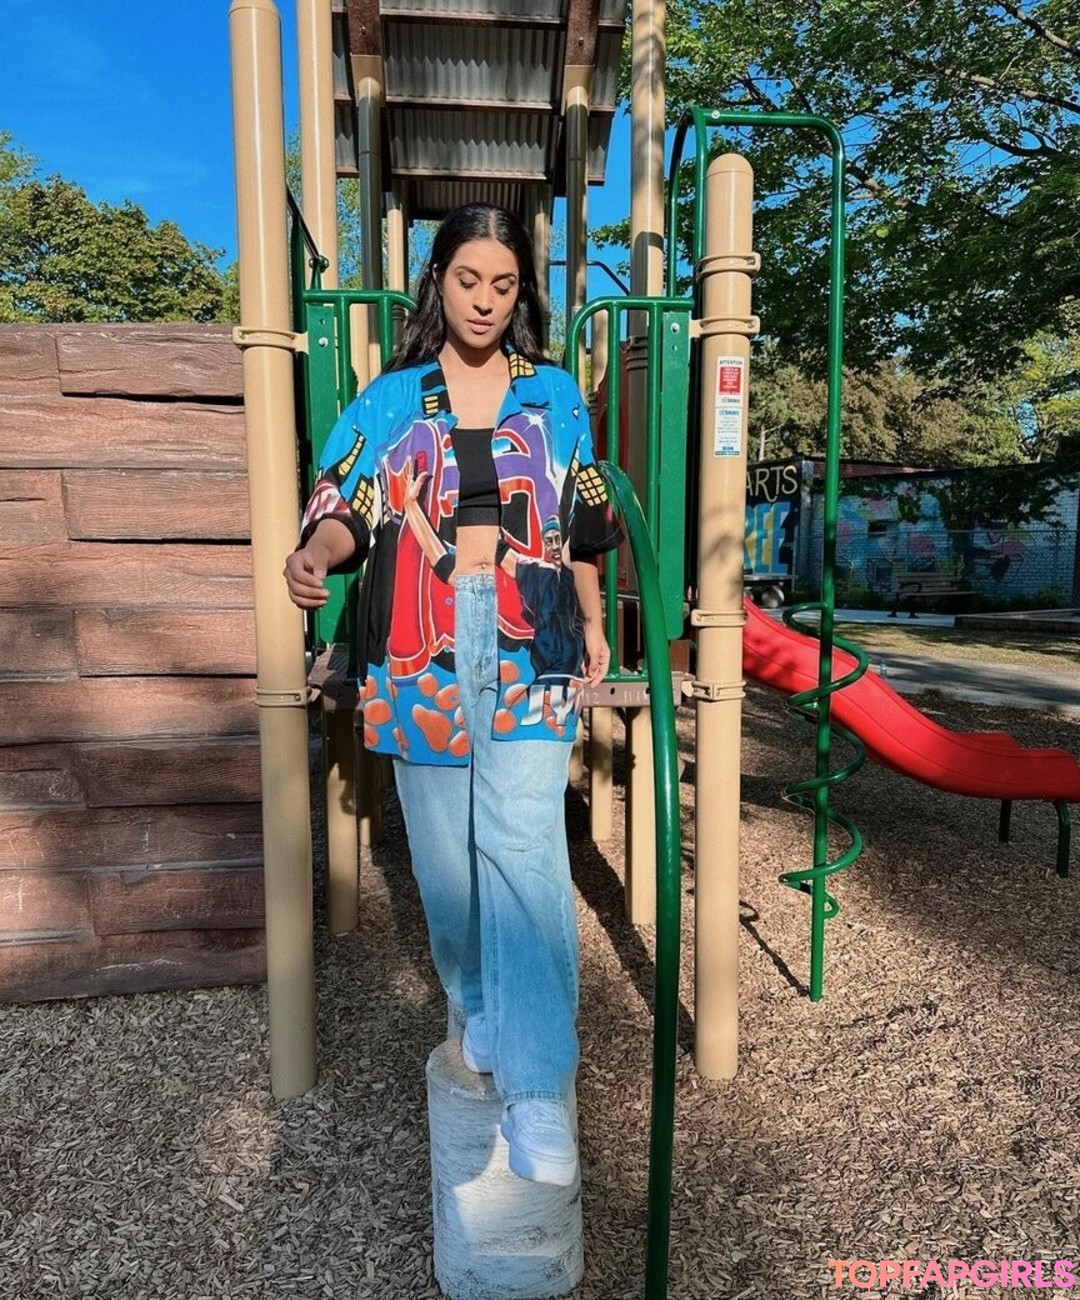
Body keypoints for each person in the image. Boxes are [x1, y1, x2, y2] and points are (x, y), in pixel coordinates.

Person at [284, 203, 621, 1187]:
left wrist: (593, 621)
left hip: (537, 628)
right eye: (468, 279)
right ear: (438, 280)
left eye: (503, 285)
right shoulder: (391, 399)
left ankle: (538, 1086)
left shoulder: (555, 394)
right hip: (416, 640)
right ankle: (473, 998)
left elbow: (582, 518)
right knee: (445, 861)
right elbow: (344, 502)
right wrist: (317, 554)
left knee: (524, 846)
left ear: (522, 295)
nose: (484, 300)